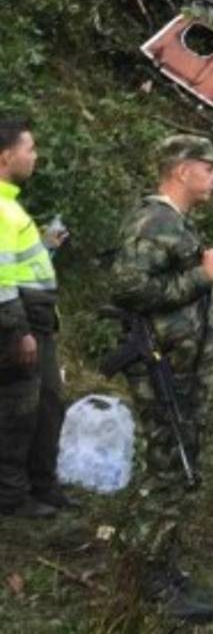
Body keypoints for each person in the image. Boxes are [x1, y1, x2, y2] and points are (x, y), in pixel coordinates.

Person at [110, 135, 213, 623]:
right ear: (182, 170)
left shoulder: (172, 223)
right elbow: (127, 288)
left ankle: (162, 562)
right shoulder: (152, 222)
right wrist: (204, 277)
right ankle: (148, 578)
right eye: (210, 168)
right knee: (167, 469)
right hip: (164, 368)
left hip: (181, 366)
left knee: (178, 466)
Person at [0, 116, 69, 519]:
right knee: (18, 412)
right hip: (19, 326)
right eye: (30, 149)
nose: (35, 156)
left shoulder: (10, 204)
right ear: (7, 156)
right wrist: (19, 332)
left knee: (45, 404)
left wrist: (45, 247)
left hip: (35, 323)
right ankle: (12, 497)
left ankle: (42, 484)